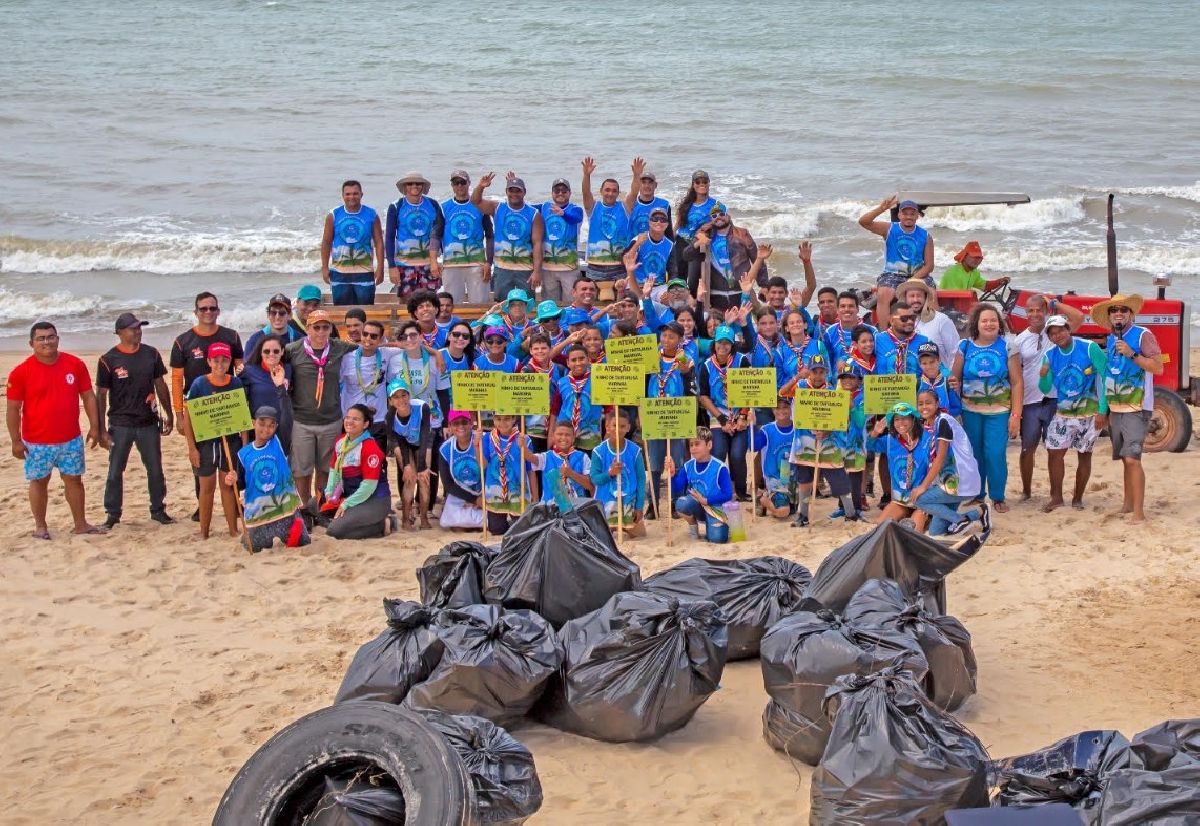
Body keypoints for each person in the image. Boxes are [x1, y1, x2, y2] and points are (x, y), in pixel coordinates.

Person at [6, 321, 106, 538]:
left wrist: (95, 426)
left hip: (70, 439)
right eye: (41, 338)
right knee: (40, 482)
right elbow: (13, 408)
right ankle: (40, 527)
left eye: (50, 337)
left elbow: (88, 396)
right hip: (36, 442)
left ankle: (81, 524)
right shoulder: (21, 372)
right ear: (31, 343)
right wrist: (15, 440)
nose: (46, 342)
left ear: (57, 339)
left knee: (74, 480)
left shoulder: (75, 364)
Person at [170, 292, 244, 519]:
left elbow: (241, 370)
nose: (208, 312)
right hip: (198, 411)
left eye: (212, 308)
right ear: (196, 312)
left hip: (226, 406)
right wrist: (179, 414)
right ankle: (201, 504)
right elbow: (176, 380)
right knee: (200, 460)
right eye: (203, 309)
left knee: (231, 457)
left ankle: (236, 503)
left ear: (218, 311)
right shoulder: (183, 341)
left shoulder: (231, 336)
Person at [96, 312, 173, 528]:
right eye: (133, 328)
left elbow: (160, 385)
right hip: (120, 425)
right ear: (120, 332)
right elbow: (101, 395)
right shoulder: (108, 360)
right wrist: (100, 429)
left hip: (148, 422)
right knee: (114, 471)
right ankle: (112, 514)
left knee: (155, 469)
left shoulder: (151, 354)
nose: (138, 331)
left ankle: (158, 509)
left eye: (139, 327)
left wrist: (169, 413)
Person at [1091, 293, 1162, 522]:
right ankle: (1127, 505)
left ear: (1130, 313)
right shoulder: (1111, 338)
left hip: (1137, 405)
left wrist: (1132, 354)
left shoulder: (1143, 335)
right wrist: (1105, 408)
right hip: (1117, 406)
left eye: (1123, 309)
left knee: (1133, 458)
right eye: (1114, 310)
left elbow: (1157, 367)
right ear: (1110, 316)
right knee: (1124, 458)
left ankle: (1139, 513)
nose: (1118, 313)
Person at [1015, 294, 1086, 500]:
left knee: (1055, 449)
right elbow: (1016, 373)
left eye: (1039, 309)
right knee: (1027, 447)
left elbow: (1079, 318)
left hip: (1055, 399)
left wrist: (1055, 303)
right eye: (1031, 310)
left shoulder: (1055, 333)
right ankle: (1026, 491)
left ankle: (1055, 494)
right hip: (1030, 401)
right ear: (1026, 313)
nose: (1035, 314)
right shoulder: (1019, 340)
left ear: (1046, 311)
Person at [953, 303, 1022, 512]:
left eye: (993, 320)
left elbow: (1017, 382)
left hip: (999, 412)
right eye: (985, 320)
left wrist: (1016, 415)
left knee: (995, 453)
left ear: (999, 324)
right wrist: (955, 411)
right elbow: (954, 379)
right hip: (969, 412)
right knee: (974, 454)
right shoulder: (964, 346)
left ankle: (998, 496)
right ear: (977, 323)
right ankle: (977, 494)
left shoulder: (1008, 347)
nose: (989, 324)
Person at [284, 309, 356, 504]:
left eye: (326, 327)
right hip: (302, 421)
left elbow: (370, 348)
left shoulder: (340, 348)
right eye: (316, 327)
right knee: (301, 470)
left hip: (331, 420)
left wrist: (431, 351)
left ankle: (320, 505)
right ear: (308, 328)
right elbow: (269, 361)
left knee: (325, 469)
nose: (321, 332)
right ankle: (305, 506)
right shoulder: (292, 350)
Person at [1037, 314, 1108, 513]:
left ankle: (1077, 498)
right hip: (1063, 414)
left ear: (1069, 329)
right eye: (1052, 333)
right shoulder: (1049, 355)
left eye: (1060, 330)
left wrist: (1103, 411)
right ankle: (1057, 497)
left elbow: (1106, 376)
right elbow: (1045, 389)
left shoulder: (1088, 347)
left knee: (1084, 455)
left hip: (1090, 413)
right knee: (1054, 453)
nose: (1057, 335)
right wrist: (1042, 376)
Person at [180, 342, 246, 540]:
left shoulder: (235, 383)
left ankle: (232, 529)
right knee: (206, 487)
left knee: (228, 486)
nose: (220, 364)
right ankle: (204, 532)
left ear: (229, 362)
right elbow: (189, 416)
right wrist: (192, 448)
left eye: (224, 360)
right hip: (206, 444)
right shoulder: (200, 384)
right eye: (215, 360)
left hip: (230, 442)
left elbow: (241, 416)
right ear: (208, 361)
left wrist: (243, 447)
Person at [789, 354, 861, 526]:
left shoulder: (833, 394)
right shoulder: (800, 388)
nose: (818, 375)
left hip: (830, 443)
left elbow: (842, 420)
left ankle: (850, 514)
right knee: (804, 481)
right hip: (804, 442)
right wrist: (795, 378)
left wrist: (828, 431)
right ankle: (803, 515)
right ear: (809, 372)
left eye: (821, 372)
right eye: (814, 371)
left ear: (827, 373)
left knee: (839, 479)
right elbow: (782, 393)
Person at [226, 406, 310, 552]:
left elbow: (288, 418)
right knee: (251, 547)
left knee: (303, 542)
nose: (266, 429)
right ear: (254, 423)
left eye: (271, 425)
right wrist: (231, 480)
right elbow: (241, 485)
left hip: (286, 511)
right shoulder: (243, 454)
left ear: (276, 427)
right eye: (262, 423)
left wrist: (281, 391)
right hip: (259, 515)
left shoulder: (279, 442)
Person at [912, 389, 988, 536]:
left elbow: (940, 459)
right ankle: (978, 513)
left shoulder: (943, 421)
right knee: (935, 532)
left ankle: (960, 520)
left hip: (959, 479)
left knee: (919, 499)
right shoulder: (932, 424)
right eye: (920, 404)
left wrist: (923, 486)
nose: (924, 407)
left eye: (928, 403)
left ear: (937, 403)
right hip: (948, 479)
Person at [318, 403, 394, 539]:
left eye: (356, 419)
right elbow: (333, 470)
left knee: (334, 531)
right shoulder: (341, 441)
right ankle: (347, 520)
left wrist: (346, 504)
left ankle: (382, 524)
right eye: (347, 417)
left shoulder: (370, 447)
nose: (350, 422)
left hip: (374, 499)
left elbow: (368, 487)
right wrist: (329, 492)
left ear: (365, 424)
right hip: (350, 494)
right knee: (314, 504)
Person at [858, 196, 934, 326]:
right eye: (905, 213)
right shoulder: (889, 229)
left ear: (917, 216)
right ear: (899, 215)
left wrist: (914, 279)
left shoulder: (925, 236)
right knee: (883, 294)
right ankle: (884, 334)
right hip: (892, 274)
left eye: (912, 214)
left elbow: (929, 265)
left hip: (917, 274)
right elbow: (863, 222)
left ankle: (933, 330)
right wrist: (881, 209)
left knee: (932, 294)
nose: (908, 217)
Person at [644, 321, 694, 517]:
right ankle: (653, 504)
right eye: (664, 336)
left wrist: (685, 368)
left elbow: (688, 378)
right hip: (654, 413)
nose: (666, 340)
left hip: (677, 414)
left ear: (680, 339)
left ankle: (675, 503)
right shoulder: (652, 358)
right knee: (655, 464)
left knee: (677, 462)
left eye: (671, 337)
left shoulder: (685, 360)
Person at [698, 324, 751, 500]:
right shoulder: (706, 366)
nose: (723, 346)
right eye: (720, 342)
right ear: (714, 343)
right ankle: (721, 490)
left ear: (732, 345)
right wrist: (721, 420)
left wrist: (742, 416)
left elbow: (751, 389)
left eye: (727, 343)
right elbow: (703, 397)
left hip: (739, 415)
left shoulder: (742, 361)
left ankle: (742, 491)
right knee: (718, 452)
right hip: (717, 416)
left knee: (737, 455)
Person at [471, 172, 543, 298]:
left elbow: (537, 244)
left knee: (526, 304)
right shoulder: (497, 208)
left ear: (524, 192)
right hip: (502, 268)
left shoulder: (533, 214)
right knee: (501, 304)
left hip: (525, 269)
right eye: (511, 190)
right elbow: (475, 201)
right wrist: (481, 186)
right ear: (506, 191)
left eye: (518, 191)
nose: (514, 194)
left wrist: (537, 271)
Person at [684, 203, 768, 311]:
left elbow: (757, 259)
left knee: (750, 323)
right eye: (714, 216)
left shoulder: (742, 234)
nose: (718, 217)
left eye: (721, 214)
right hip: (715, 294)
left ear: (728, 216)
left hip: (742, 291)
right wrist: (698, 243)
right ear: (711, 219)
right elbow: (686, 255)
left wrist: (764, 285)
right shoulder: (705, 234)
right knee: (719, 327)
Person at [322, 179, 384, 305]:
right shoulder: (333, 215)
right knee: (341, 311)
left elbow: (378, 242)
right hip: (339, 273)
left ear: (361, 194)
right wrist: (324, 267)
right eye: (348, 194)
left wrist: (381, 268)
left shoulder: (371, 214)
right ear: (343, 196)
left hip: (364, 272)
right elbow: (326, 242)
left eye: (355, 193)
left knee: (365, 311)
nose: (352, 197)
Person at [666, 427, 733, 543]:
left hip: (715, 507)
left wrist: (706, 500)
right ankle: (693, 526)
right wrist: (671, 475)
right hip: (697, 505)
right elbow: (676, 488)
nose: (693, 448)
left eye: (697, 444)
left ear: (709, 445)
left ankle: (716, 525)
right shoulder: (688, 466)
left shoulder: (720, 467)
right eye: (691, 445)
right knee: (681, 503)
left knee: (717, 539)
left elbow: (728, 494)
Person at [873, 402, 935, 524]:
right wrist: (875, 432)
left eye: (905, 418)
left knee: (913, 530)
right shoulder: (891, 440)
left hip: (922, 501)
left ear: (913, 419)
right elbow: (867, 447)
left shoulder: (928, 439)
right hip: (900, 500)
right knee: (880, 526)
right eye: (896, 419)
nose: (900, 423)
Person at [589, 408, 646, 537]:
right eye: (614, 425)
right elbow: (594, 479)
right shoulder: (598, 451)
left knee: (640, 535)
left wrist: (639, 506)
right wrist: (610, 473)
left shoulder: (635, 450)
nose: (618, 429)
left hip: (628, 503)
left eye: (622, 426)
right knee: (605, 536)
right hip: (605, 503)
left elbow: (641, 479)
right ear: (607, 426)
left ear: (628, 428)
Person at [384, 379, 433, 530]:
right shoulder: (390, 417)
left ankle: (424, 519)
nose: (401, 400)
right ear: (390, 401)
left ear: (409, 395)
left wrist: (422, 466)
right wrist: (406, 465)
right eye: (396, 397)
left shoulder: (422, 407)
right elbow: (400, 442)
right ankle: (406, 519)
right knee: (409, 479)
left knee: (424, 479)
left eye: (404, 395)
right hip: (404, 443)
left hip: (423, 441)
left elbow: (425, 435)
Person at [386, 171, 444, 298]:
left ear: (423, 186)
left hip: (429, 264)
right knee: (405, 302)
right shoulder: (396, 206)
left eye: (418, 183)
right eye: (410, 183)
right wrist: (391, 266)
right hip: (404, 265)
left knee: (430, 300)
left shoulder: (433, 205)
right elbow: (389, 237)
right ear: (405, 186)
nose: (415, 186)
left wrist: (440, 261)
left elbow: (439, 233)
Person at [439, 169, 493, 304]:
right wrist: (435, 261)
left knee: (480, 304)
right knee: (452, 304)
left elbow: (490, 235)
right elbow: (435, 235)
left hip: (477, 264)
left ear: (469, 184)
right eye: (456, 183)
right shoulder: (444, 207)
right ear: (452, 186)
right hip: (451, 265)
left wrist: (488, 262)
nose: (459, 186)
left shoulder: (479, 205)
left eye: (462, 182)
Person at [481, 413, 536, 535]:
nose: (502, 423)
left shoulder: (524, 439)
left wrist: (535, 498)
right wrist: (476, 445)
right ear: (493, 419)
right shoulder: (487, 438)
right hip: (496, 494)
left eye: (506, 419)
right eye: (498, 419)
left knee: (520, 532)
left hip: (518, 494)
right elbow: (483, 465)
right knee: (496, 530)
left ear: (514, 419)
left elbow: (530, 470)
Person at [340, 319, 391, 448]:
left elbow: (409, 345)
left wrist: (436, 353)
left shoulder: (387, 354)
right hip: (351, 420)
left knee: (376, 464)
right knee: (350, 465)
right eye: (365, 334)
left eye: (374, 336)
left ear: (380, 340)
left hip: (377, 421)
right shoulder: (346, 357)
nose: (368, 338)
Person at [581, 156, 631, 284]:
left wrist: (636, 176)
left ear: (618, 193)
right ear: (601, 191)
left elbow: (634, 192)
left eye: (614, 191)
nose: (610, 193)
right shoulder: (593, 207)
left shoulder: (624, 208)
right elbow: (586, 193)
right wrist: (586, 175)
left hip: (619, 267)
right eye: (607, 190)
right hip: (595, 267)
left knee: (620, 301)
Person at [241, 334, 294, 453]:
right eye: (266, 351)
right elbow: (241, 402)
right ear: (260, 352)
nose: (271, 354)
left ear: (282, 352)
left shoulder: (289, 369)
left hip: (283, 429)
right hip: (260, 429)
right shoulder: (248, 371)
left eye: (276, 351)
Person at [538, 176, 585, 301]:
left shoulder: (576, 209)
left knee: (570, 300)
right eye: (557, 191)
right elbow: (521, 208)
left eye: (564, 191)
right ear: (552, 193)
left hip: (569, 267)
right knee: (550, 302)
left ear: (569, 193)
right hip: (547, 267)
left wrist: (563, 214)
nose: (560, 193)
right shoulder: (543, 207)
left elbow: (576, 218)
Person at [438, 410, 484, 531]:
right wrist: (474, 500)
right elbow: (448, 484)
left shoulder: (483, 440)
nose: (460, 426)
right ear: (450, 427)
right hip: (461, 493)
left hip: (485, 491)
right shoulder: (445, 449)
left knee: (494, 523)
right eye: (456, 423)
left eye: (464, 422)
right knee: (447, 522)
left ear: (471, 424)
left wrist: (482, 497)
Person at [528, 420, 594, 505]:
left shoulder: (583, 457)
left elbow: (590, 486)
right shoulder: (546, 457)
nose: (563, 438)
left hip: (578, 508)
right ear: (553, 437)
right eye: (560, 434)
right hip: (550, 509)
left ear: (573, 438)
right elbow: (531, 458)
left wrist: (571, 474)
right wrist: (523, 447)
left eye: (567, 435)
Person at [900, 278, 958, 371]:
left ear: (925, 298)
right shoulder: (899, 324)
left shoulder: (941, 320)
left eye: (919, 296)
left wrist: (950, 378)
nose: (915, 299)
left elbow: (955, 353)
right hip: (909, 381)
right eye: (911, 296)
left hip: (938, 379)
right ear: (905, 299)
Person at [552, 344, 602, 451]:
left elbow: (608, 408)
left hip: (590, 437)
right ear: (568, 363)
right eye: (574, 360)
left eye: (582, 359)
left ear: (588, 359)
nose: (578, 363)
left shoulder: (598, 380)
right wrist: (551, 435)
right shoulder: (562, 383)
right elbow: (554, 412)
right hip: (564, 437)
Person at [753, 398, 796, 518]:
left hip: (794, 478)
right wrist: (752, 426)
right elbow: (754, 447)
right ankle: (765, 501)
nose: (781, 410)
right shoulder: (767, 430)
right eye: (778, 407)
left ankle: (769, 497)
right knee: (784, 512)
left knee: (794, 510)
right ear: (773, 410)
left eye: (785, 407)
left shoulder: (798, 429)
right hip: (775, 479)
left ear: (791, 408)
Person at [673, 169, 717, 286]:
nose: (701, 184)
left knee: (692, 281)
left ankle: (694, 302)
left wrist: (711, 225)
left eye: (705, 181)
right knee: (678, 277)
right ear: (693, 185)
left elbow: (725, 221)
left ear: (709, 184)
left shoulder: (716, 205)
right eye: (698, 182)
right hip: (681, 241)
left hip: (697, 244)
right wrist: (670, 240)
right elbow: (678, 224)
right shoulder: (687, 204)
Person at [621, 206, 676, 301]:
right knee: (632, 303)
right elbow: (626, 261)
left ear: (667, 224)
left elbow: (673, 272)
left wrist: (670, 291)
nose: (658, 222)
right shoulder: (638, 239)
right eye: (655, 219)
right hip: (636, 285)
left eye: (662, 220)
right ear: (649, 222)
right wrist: (637, 244)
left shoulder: (671, 245)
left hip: (658, 286)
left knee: (670, 299)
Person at [875, 299, 930, 376]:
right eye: (904, 318)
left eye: (913, 318)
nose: (910, 322)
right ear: (892, 320)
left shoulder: (924, 341)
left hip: (916, 387)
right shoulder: (877, 340)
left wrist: (948, 376)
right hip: (884, 387)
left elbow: (937, 365)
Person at [823, 290, 872, 367]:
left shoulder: (872, 331)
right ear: (837, 309)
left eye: (851, 306)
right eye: (843, 306)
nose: (846, 309)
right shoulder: (829, 332)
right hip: (838, 377)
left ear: (857, 309)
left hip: (864, 377)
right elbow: (827, 362)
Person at [939, 241, 1009, 292]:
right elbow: (954, 296)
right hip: (946, 306)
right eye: (973, 257)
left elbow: (985, 286)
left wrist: (999, 281)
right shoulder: (953, 272)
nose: (977, 260)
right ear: (965, 256)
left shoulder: (974, 273)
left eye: (979, 258)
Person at [917, 343, 961, 417]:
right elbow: (913, 409)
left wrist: (940, 415)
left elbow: (957, 408)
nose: (929, 366)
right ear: (919, 364)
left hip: (944, 425)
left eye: (932, 362)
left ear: (939, 360)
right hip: (924, 426)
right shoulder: (917, 384)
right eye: (924, 363)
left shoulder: (947, 382)